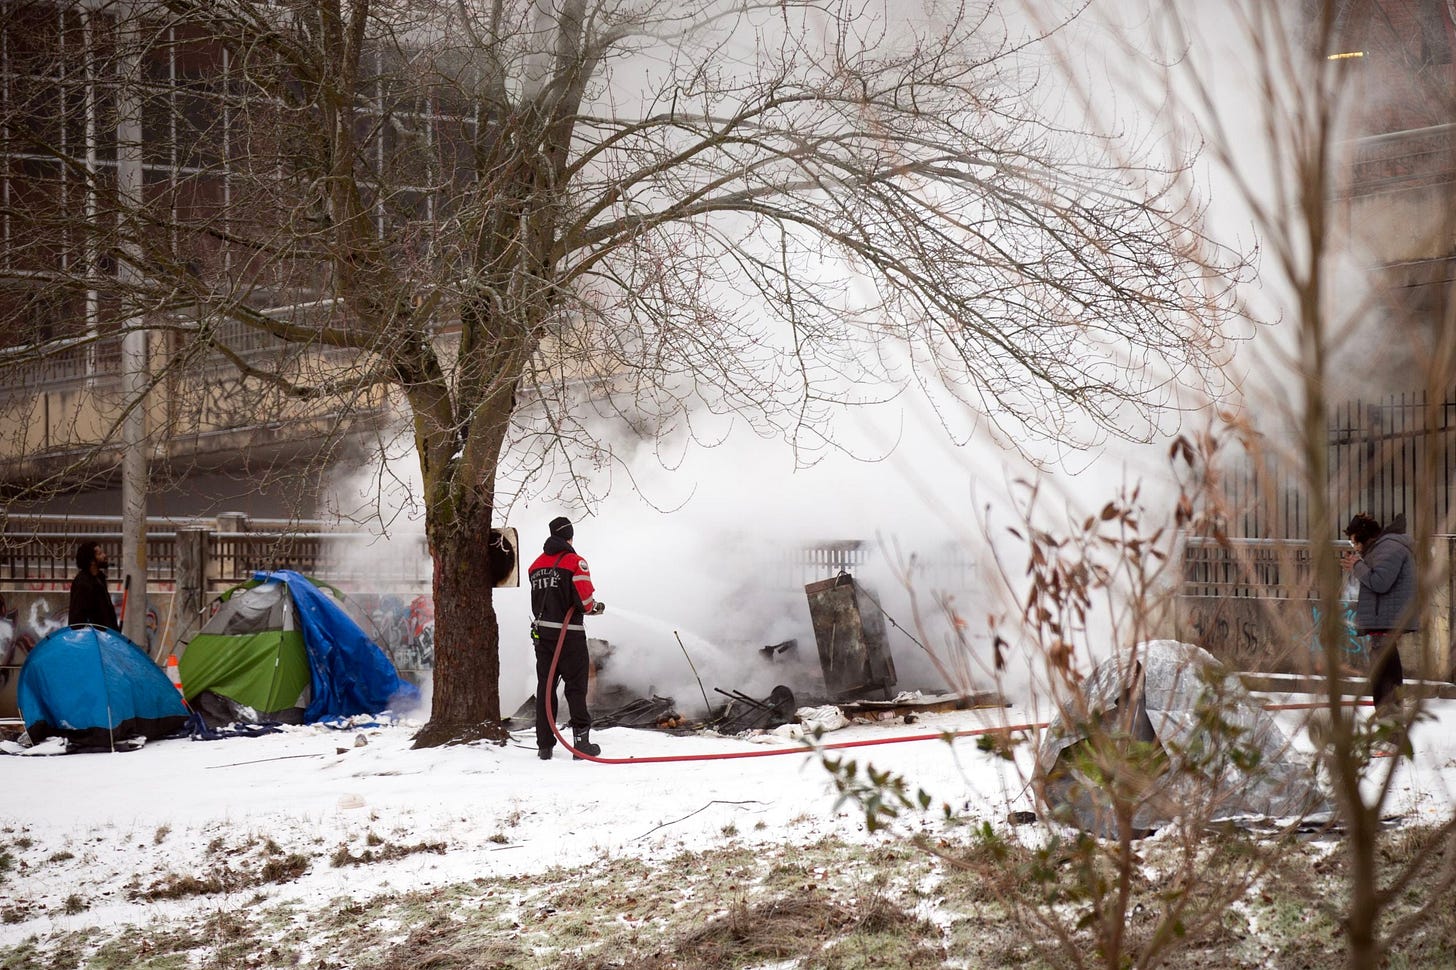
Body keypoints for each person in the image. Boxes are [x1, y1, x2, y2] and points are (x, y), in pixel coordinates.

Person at [528, 516, 605, 761]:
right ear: (569, 536)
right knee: (575, 688)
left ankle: (544, 746)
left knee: (546, 687)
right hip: (569, 636)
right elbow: (584, 603)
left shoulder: (535, 566)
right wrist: (596, 607)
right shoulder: (575, 562)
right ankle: (581, 744)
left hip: (543, 637)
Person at [1340, 512, 1417, 717]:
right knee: (1385, 671)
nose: (1355, 548)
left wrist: (1357, 566)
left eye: (1356, 542)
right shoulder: (1383, 547)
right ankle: (1389, 727)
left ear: (1365, 536)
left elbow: (1381, 582)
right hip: (1384, 619)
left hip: (1387, 619)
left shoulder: (1388, 547)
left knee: (1384, 675)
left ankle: (1389, 727)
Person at [68, 540, 120, 631]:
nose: (104, 556)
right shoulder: (83, 584)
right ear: (92, 561)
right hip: (93, 637)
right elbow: (78, 618)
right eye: (100, 554)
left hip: (105, 635)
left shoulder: (99, 578)